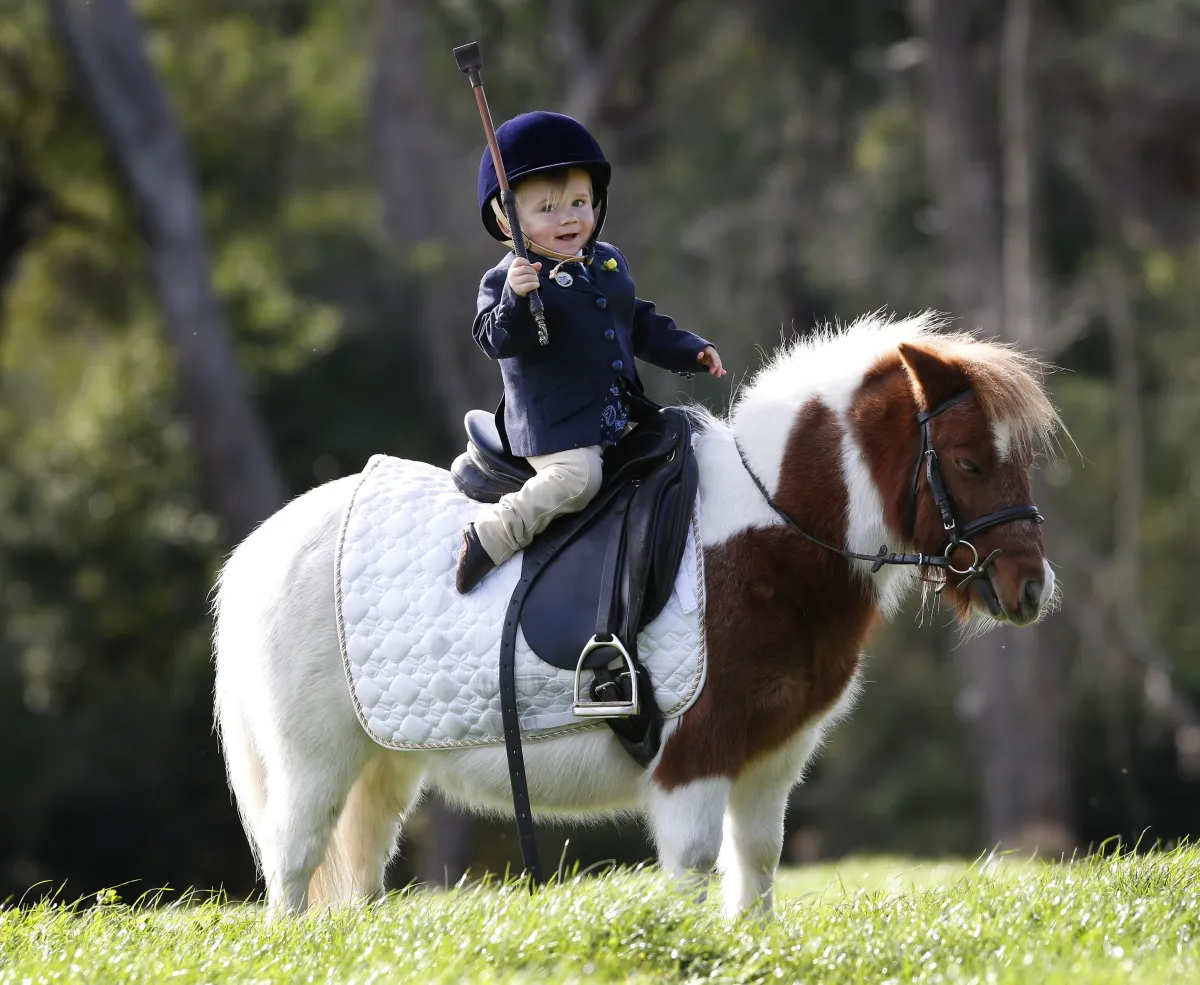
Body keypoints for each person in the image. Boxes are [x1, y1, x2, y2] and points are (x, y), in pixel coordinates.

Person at [456, 111, 726, 593]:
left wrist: (690, 349)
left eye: (579, 202)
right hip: (556, 427)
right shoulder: (507, 278)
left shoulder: (606, 260)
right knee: (580, 479)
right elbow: (494, 340)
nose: (569, 217)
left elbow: (636, 320)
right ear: (506, 220)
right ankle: (493, 535)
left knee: (688, 442)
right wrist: (516, 299)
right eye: (547, 209)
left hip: (615, 414)